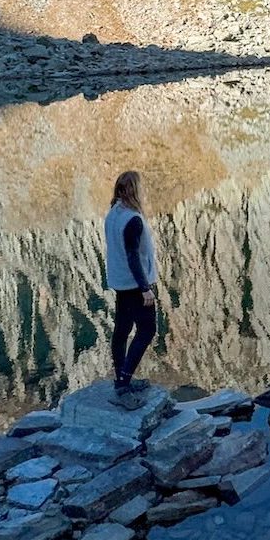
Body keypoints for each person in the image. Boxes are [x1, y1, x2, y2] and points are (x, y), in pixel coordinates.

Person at [104, 170, 159, 398]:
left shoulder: (113, 213)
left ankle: (120, 378)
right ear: (134, 191)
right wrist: (145, 288)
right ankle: (124, 382)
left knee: (122, 330)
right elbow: (133, 256)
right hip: (135, 285)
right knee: (147, 329)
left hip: (119, 282)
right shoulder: (133, 220)